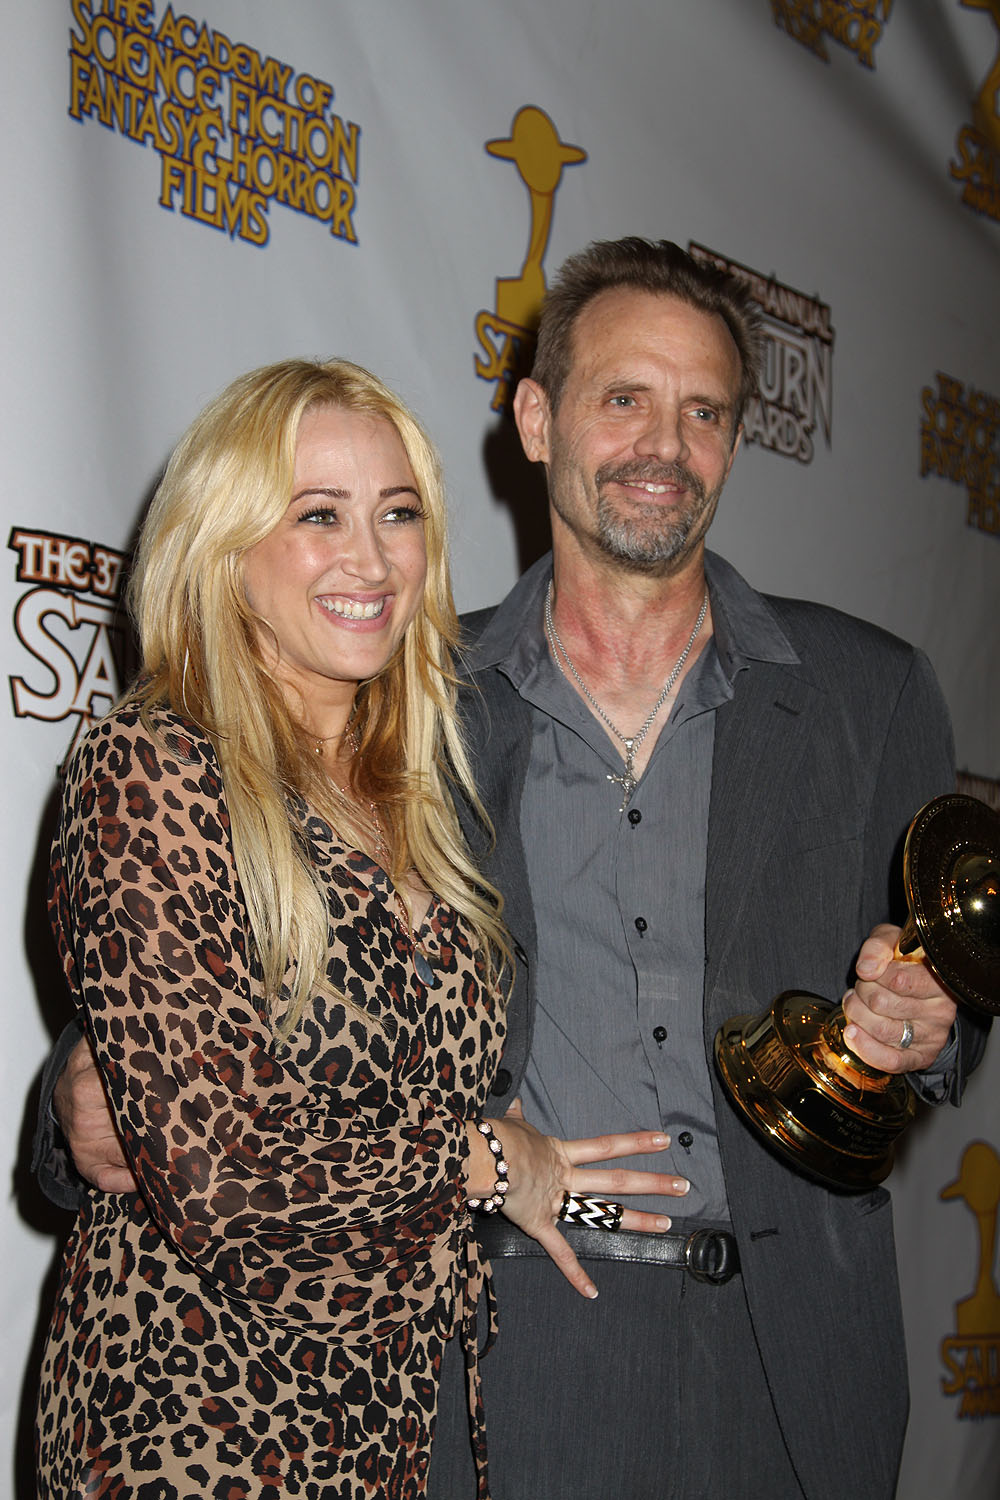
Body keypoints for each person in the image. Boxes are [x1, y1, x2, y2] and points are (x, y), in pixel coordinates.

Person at [37, 246, 989, 1498]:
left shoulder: (870, 692)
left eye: (704, 411)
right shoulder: (412, 705)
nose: (665, 444)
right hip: (505, 1340)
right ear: (536, 420)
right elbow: (247, 958)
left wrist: (929, 1024)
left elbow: (945, 989)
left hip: (790, 1355)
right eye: (623, 399)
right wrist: (76, 1090)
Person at [33, 355, 687, 1500]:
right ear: (225, 545)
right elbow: (228, 1178)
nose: (372, 560)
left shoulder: (422, 782)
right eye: (317, 515)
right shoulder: (155, 767)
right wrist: (486, 1161)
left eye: (398, 514)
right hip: (192, 1417)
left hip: (387, 1422)